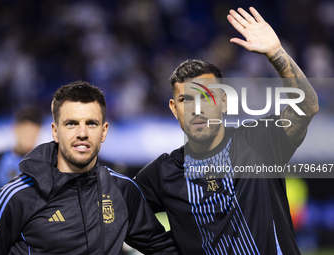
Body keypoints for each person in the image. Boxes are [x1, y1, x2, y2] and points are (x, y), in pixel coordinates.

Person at [134, 7, 319, 255]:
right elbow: (119, 212)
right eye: (186, 100)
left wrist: (276, 53)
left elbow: (307, 106)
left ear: (223, 101)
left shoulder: (260, 141)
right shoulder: (162, 173)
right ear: (173, 108)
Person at [0, 81, 179, 255]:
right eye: (71, 124)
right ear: (55, 131)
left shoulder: (121, 191)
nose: (82, 133)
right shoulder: (17, 196)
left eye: (91, 123)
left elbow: (163, 249)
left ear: (104, 131)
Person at [0, 105, 44, 191]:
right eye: (26, 132)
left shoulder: (45, 164)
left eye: (33, 133)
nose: (29, 138)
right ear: (15, 129)